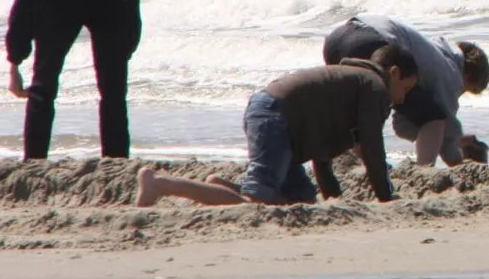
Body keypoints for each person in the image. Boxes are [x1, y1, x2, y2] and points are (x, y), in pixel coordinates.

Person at [135, 43, 417, 207]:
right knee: (254, 205)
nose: (403, 99)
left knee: (302, 201)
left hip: (273, 117)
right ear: (393, 73)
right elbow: (372, 147)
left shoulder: (351, 81)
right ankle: (160, 183)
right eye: (405, 88)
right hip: (275, 117)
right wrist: (385, 197)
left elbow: (321, 151)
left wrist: (332, 198)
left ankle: (220, 187)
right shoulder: (375, 87)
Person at [5, 0, 142, 160]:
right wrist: (127, 44)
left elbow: (23, 0)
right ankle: (116, 159)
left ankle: (34, 160)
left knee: (43, 87)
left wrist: (15, 60)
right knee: (113, 92)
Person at [322, 14, 489, 165]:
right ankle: (424, 170)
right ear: (468, 75)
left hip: (336, 40)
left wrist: (456, 140)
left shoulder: (434, 53)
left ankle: (362, 162)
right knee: (434, 118)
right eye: (467, 90)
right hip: (372, 43)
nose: (458, 96)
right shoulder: (452, 75)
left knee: (362, 109)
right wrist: (460, 160)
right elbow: (441, 125)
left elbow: (405, 125)